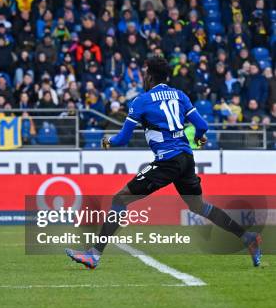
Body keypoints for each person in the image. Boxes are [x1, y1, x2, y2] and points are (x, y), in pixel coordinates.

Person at [65, 57, 262, 268]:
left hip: (168, 160)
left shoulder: (142, 101)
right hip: (186, 158)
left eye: (144, 73)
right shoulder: (180, 96)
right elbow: (202, 125)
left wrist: (107, 140)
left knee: (120, 199)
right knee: (198, 206)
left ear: (149, 76)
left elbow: (122, 139)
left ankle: (94, 254)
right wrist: (198, 137)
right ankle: (248, 237)